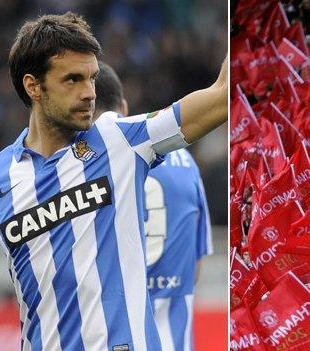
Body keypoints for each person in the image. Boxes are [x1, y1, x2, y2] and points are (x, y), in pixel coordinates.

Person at [0, 12, 226, 351]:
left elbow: (220, 97)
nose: (89, 93)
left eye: (92, 78)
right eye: (72, 80)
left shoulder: (121, 141)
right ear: (33, 86)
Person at [93, 61, 213, 351]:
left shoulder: (78, 167)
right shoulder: (185, 162)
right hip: (173, 339)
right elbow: (195, 267)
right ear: (122, 105)